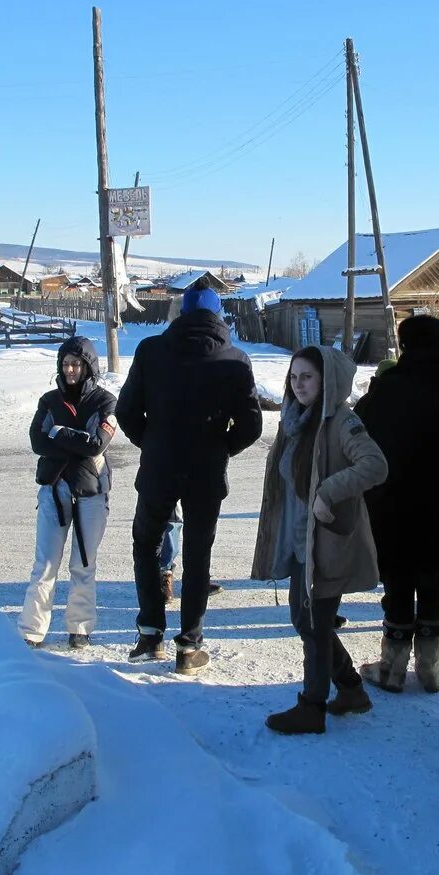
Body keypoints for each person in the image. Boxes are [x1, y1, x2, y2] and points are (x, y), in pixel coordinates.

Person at [115, 281, 262, 675]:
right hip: (205, 475)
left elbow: (126, 411)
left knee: (146, 545)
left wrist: (153, 443)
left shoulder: (151, 351)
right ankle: (189, 645)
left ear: (180, 315)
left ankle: (150, 635)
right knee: (198, 556)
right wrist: (218, 449)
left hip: (159, 469)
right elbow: (251, 424)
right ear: (218, 317)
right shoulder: (235, 359)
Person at [251, 346, 388, 733]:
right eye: (294, 377)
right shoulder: (294, 419)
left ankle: (312, 706)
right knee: (306, 619)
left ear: (326, 379)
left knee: (313, 623)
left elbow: (375, 465)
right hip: (300, 541)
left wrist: (328, 491)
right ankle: (350, 688)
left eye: (307, 377)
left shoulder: (341, 421)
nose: (298, 385)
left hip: (326, 541)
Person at [354, 315, 439, 693]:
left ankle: (392, 668)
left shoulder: (391, 386)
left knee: (399, 579)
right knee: (432, 580)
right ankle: (429, 669)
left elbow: (362, 424)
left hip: (396, 499)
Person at [18, 336, 118, 649]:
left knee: (83, 565)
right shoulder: (49, 401)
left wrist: (60, 433)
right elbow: (37, 442)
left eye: (76, 364)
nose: (70, 369)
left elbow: (97, 445)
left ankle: (80, 627)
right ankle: (32, 630)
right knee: (45, 564)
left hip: (91, 492)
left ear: (88, 366)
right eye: (65, 364)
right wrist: (76, 441)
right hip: (54, 490)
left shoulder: (105, 402)